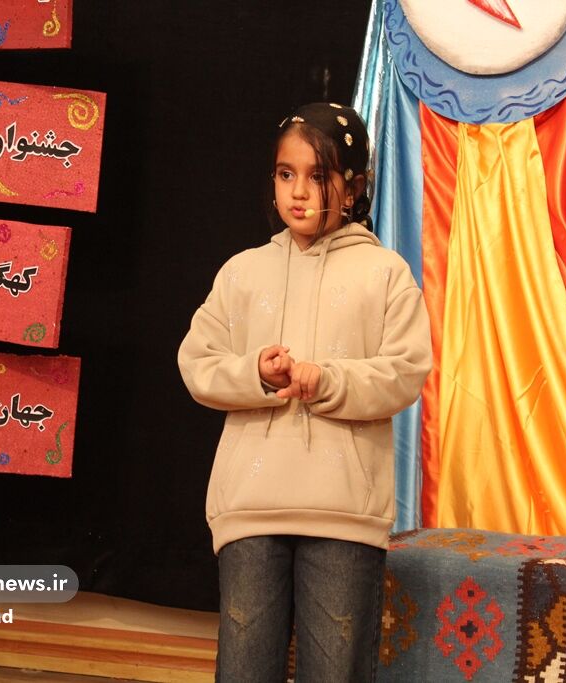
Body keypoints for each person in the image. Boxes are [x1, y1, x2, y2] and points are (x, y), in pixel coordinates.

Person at [178, 102, 432, 682]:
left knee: (336, 671)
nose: (298, 192)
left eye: (318, 176)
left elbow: (406, 370)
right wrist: (255, 373)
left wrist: (329, 380)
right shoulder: (242, 272)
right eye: (285, 173)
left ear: (355, 186)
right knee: (245, 670)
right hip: (249, 510)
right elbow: (197, 362)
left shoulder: (386, 273)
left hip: (344, 514)